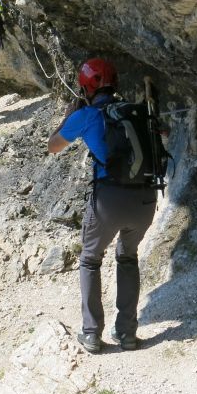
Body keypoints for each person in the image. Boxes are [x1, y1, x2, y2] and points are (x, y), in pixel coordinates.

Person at [46, 58, 158, 353]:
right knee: (128, 256)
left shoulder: (86, 115)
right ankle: (128, 334)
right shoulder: (136, 113)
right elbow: (163, 135)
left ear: (86, 87)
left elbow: (53, 146)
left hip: (109, 199)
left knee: (90, 258)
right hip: (146, 200)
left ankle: (92, 333)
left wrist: (69, 116)